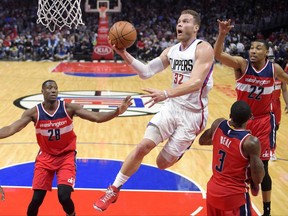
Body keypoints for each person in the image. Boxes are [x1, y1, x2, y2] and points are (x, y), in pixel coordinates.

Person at [93, 9, 214, 211]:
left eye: (185, 21)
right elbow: (147, 71)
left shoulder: (204, 49)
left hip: (193, 115)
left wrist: (165, 93)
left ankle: (182, 148)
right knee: (143, 146)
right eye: (178, 21)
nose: (180, 25)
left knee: (161, 164)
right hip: (172, 107)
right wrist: (124, 53)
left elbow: (196, 83)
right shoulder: (171, 51)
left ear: (196, 28)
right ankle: (113, 189)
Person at [0, 80, 132, 216]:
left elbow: (97, 117)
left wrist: (117, 111)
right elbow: (11, 128)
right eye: (49, 88)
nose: (53, 90)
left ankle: (72, 214)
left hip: (66, 157)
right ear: (42, 91)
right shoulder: (33, 113)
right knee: (36, 199)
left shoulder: (69, 108)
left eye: (55, 88)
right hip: (45, 157)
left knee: (64, 197)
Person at [214, 19, 288, 216]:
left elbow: (286, 82)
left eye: (257, 49)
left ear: (266, 52)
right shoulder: (241, 64)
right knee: (237, 163)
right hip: (242, 123)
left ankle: (267, 210)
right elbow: (218, 55)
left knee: (262, 166)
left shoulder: (274, 70)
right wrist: (222, 34)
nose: (253, 51)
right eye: (251, 48)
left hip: (264, 121)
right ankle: (247, 186)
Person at [199, 100, 265, 215]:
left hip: (213, 192)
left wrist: (223, 142)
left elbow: (202, 141)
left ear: (230, 116)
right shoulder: (250, 142)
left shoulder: (218, 124)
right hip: (235, 197)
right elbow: (258, 178)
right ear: (250, 117)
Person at [270, 78, 288, 161]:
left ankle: (270, 150)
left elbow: (284, 90)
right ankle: (271, 151)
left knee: (275, 127)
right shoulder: (266, 73)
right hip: (266, 102)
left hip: (276, 104)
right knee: (268, 127)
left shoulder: (281, 74)